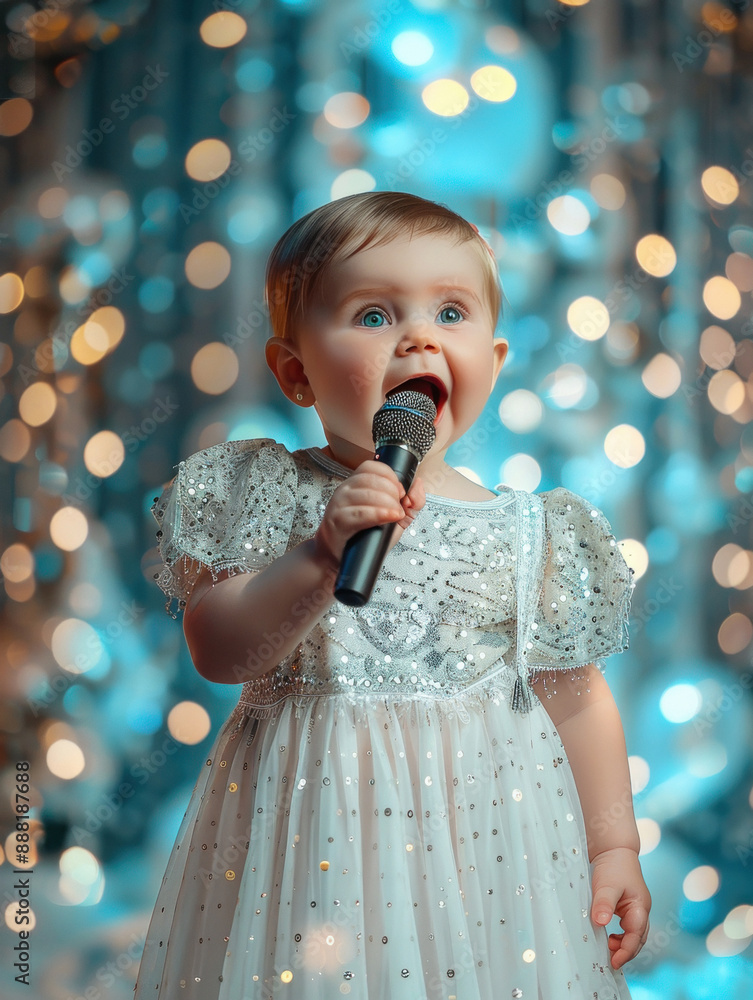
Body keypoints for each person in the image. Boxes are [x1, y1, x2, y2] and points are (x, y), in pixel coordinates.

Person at [134, 191, 651, 999]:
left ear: (496, 356)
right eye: (373, 316)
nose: (418, 336)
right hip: (313, 830)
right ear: (296, 371)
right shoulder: (266, 490)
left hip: (488, 843)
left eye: (452, 311)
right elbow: (219, 650)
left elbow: (575, 696)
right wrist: (318, 554)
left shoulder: (532, 529)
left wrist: (613, 845)